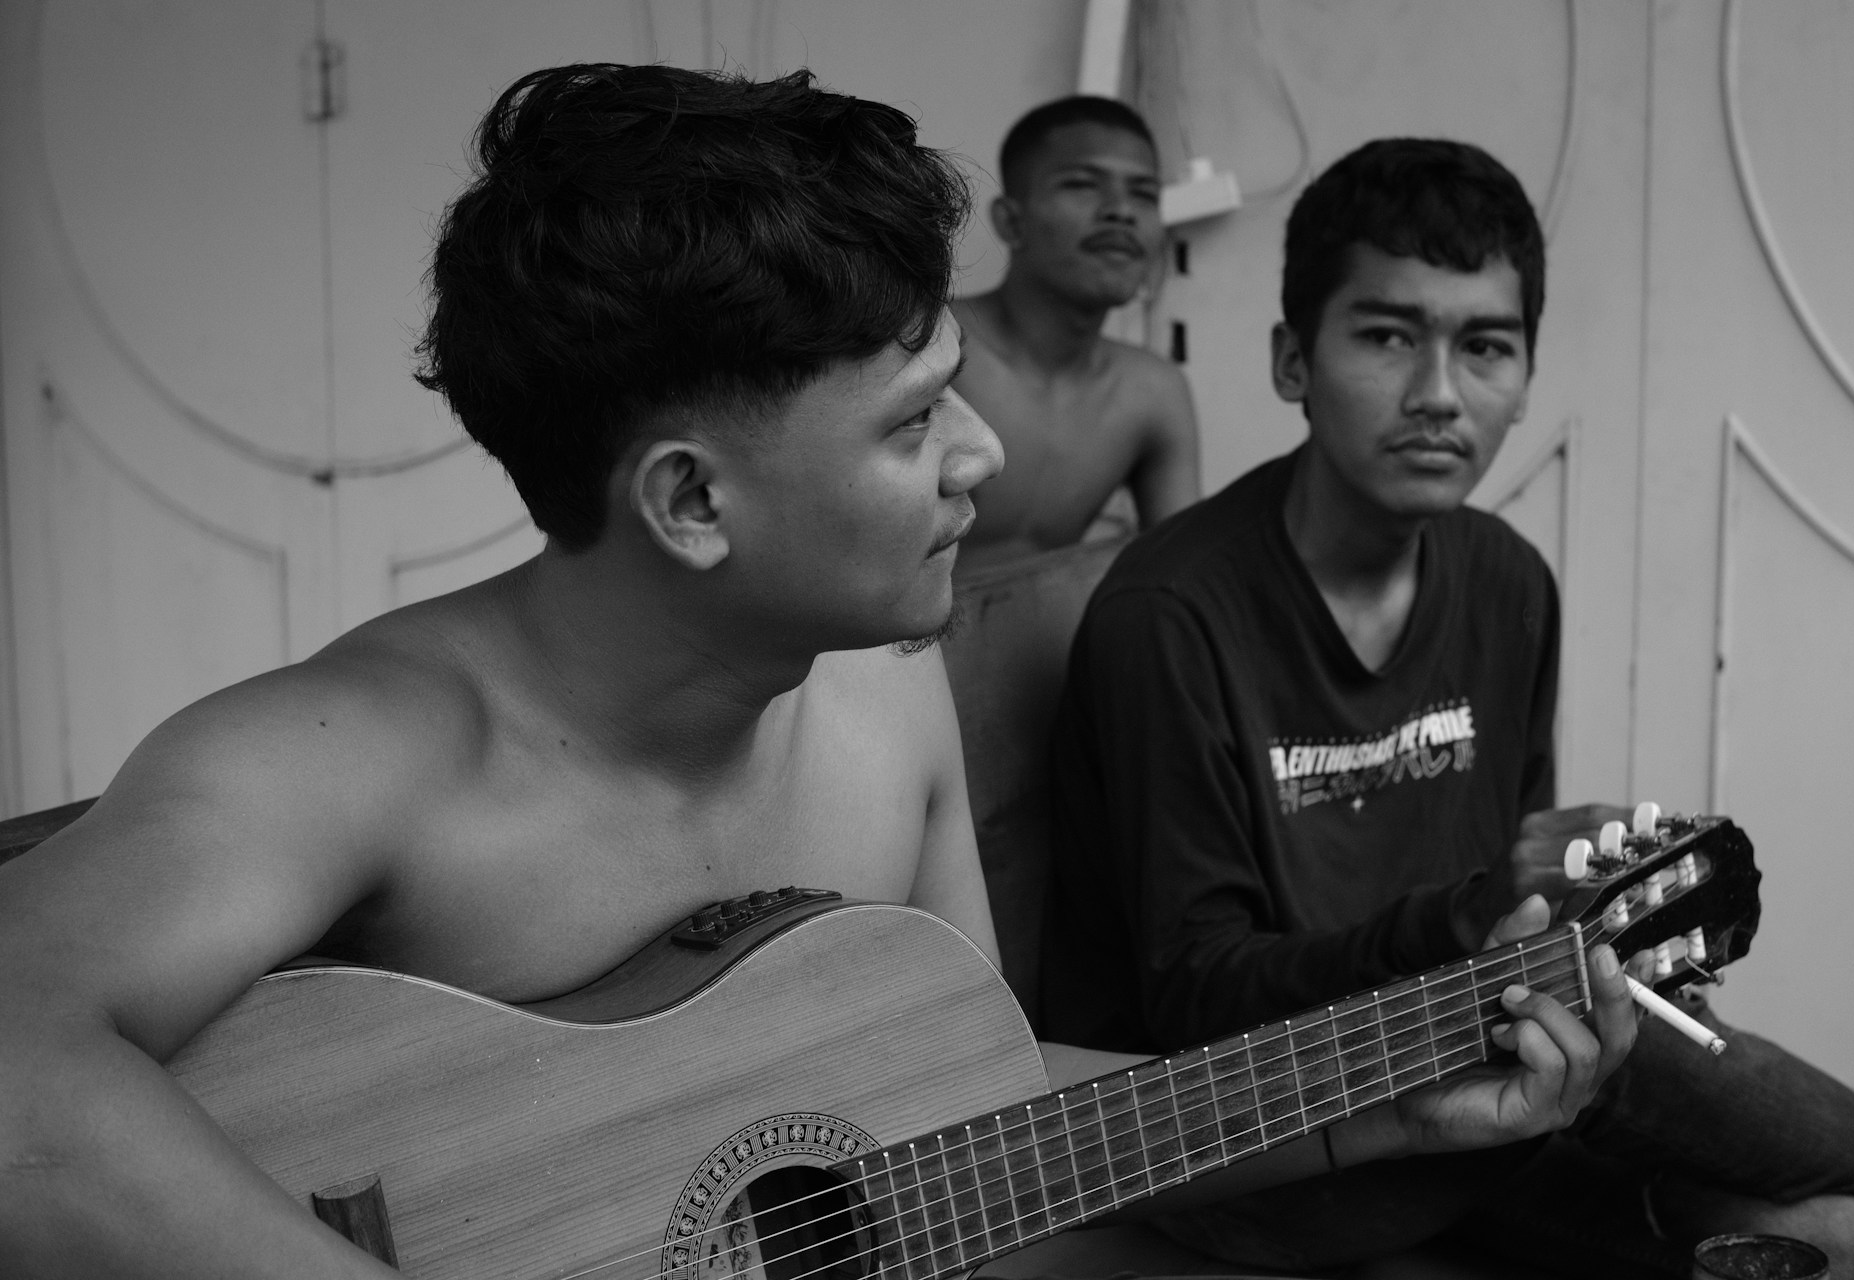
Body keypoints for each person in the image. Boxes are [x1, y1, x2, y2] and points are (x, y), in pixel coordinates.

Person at [0, 73, 1634, 1278]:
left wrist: (1379, 1118)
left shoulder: (884, 703)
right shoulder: (352, 754)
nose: (985, 458)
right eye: (917, 417)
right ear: (694, 502)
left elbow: (959, 1114)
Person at [1044, 136, 1854, 1279]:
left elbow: (1509, 908)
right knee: (1647, 1063)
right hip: (1261, 1147)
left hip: (1477, 1089)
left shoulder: (1507, 580)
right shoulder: (1170, 614)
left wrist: (1551, 940)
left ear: (1523, 374)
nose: (1439, 394)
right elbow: (1199, 997)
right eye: (1388, 335)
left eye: (1486, 346)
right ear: (1292, 360)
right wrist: (1465, 924)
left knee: (1828, 1242)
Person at [952, 96, 1200, 571]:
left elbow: (1184, 574)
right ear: (1011, 221)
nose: (1122, 212)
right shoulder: (933, 346)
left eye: (1144, 194)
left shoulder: (1151, 392)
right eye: (1083, 185)